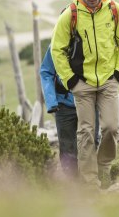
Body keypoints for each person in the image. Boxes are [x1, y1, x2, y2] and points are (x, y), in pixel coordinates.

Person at [51, 0, 119, 189]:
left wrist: (118, 73)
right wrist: (71, 81)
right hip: (82, 83)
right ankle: (89, 182)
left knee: (111, 127)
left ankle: (103, 169)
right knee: (85, 132)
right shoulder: (70, 14)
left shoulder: (115, 10)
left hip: (108, 81)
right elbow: (57, 50)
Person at [40, 45, 100, 179]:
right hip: (64, 105)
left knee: (91, 141)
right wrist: (52, 102)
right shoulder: (55, 46)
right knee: (68, 146)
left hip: (90, 101)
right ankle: (74, 184)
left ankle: (91, 180)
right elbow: (46, 72)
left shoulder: (92, 39)